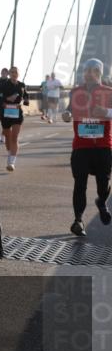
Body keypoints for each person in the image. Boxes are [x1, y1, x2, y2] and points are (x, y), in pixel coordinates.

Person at [63, 58, 112, 237]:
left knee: (103, 184)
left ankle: (101, 201)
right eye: (87, 70)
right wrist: (67, 114)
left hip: (103, 146)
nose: (90, 74)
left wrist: (106, 112)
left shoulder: (108, 92)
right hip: (81, 146)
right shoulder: (76, 92)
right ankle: (78, 220)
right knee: (79, 184)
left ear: (99, 73)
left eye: (94, 70)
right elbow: (68, 110)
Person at [0, 66, 29, 171]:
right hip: (6, 113)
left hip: (17, 113)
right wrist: (5, 101)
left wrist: (23, 102)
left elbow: (26, 97)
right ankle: (10, 152)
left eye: (16, 72)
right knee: (8, 138)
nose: (14, 74)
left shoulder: (22, 85)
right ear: (9, 74)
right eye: (12, 72)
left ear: (18, 74)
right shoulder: (3, 84)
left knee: (15, 137)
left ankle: (11, 162)